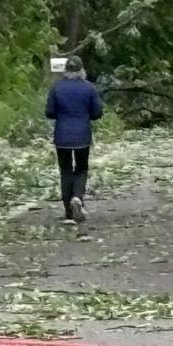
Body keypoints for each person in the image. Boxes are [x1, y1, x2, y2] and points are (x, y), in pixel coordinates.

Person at [45, 56, 103, 223]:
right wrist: (86, 115)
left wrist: (61, 116)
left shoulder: (56, 87)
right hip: (82, 135)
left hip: (62, 135)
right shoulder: (88, 88)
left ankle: (68, 211)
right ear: (81, 70)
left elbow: (49, 112)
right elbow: (97, 112)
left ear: (65, 70)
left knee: (65, 170)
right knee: (82, 168)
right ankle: (77, 197)